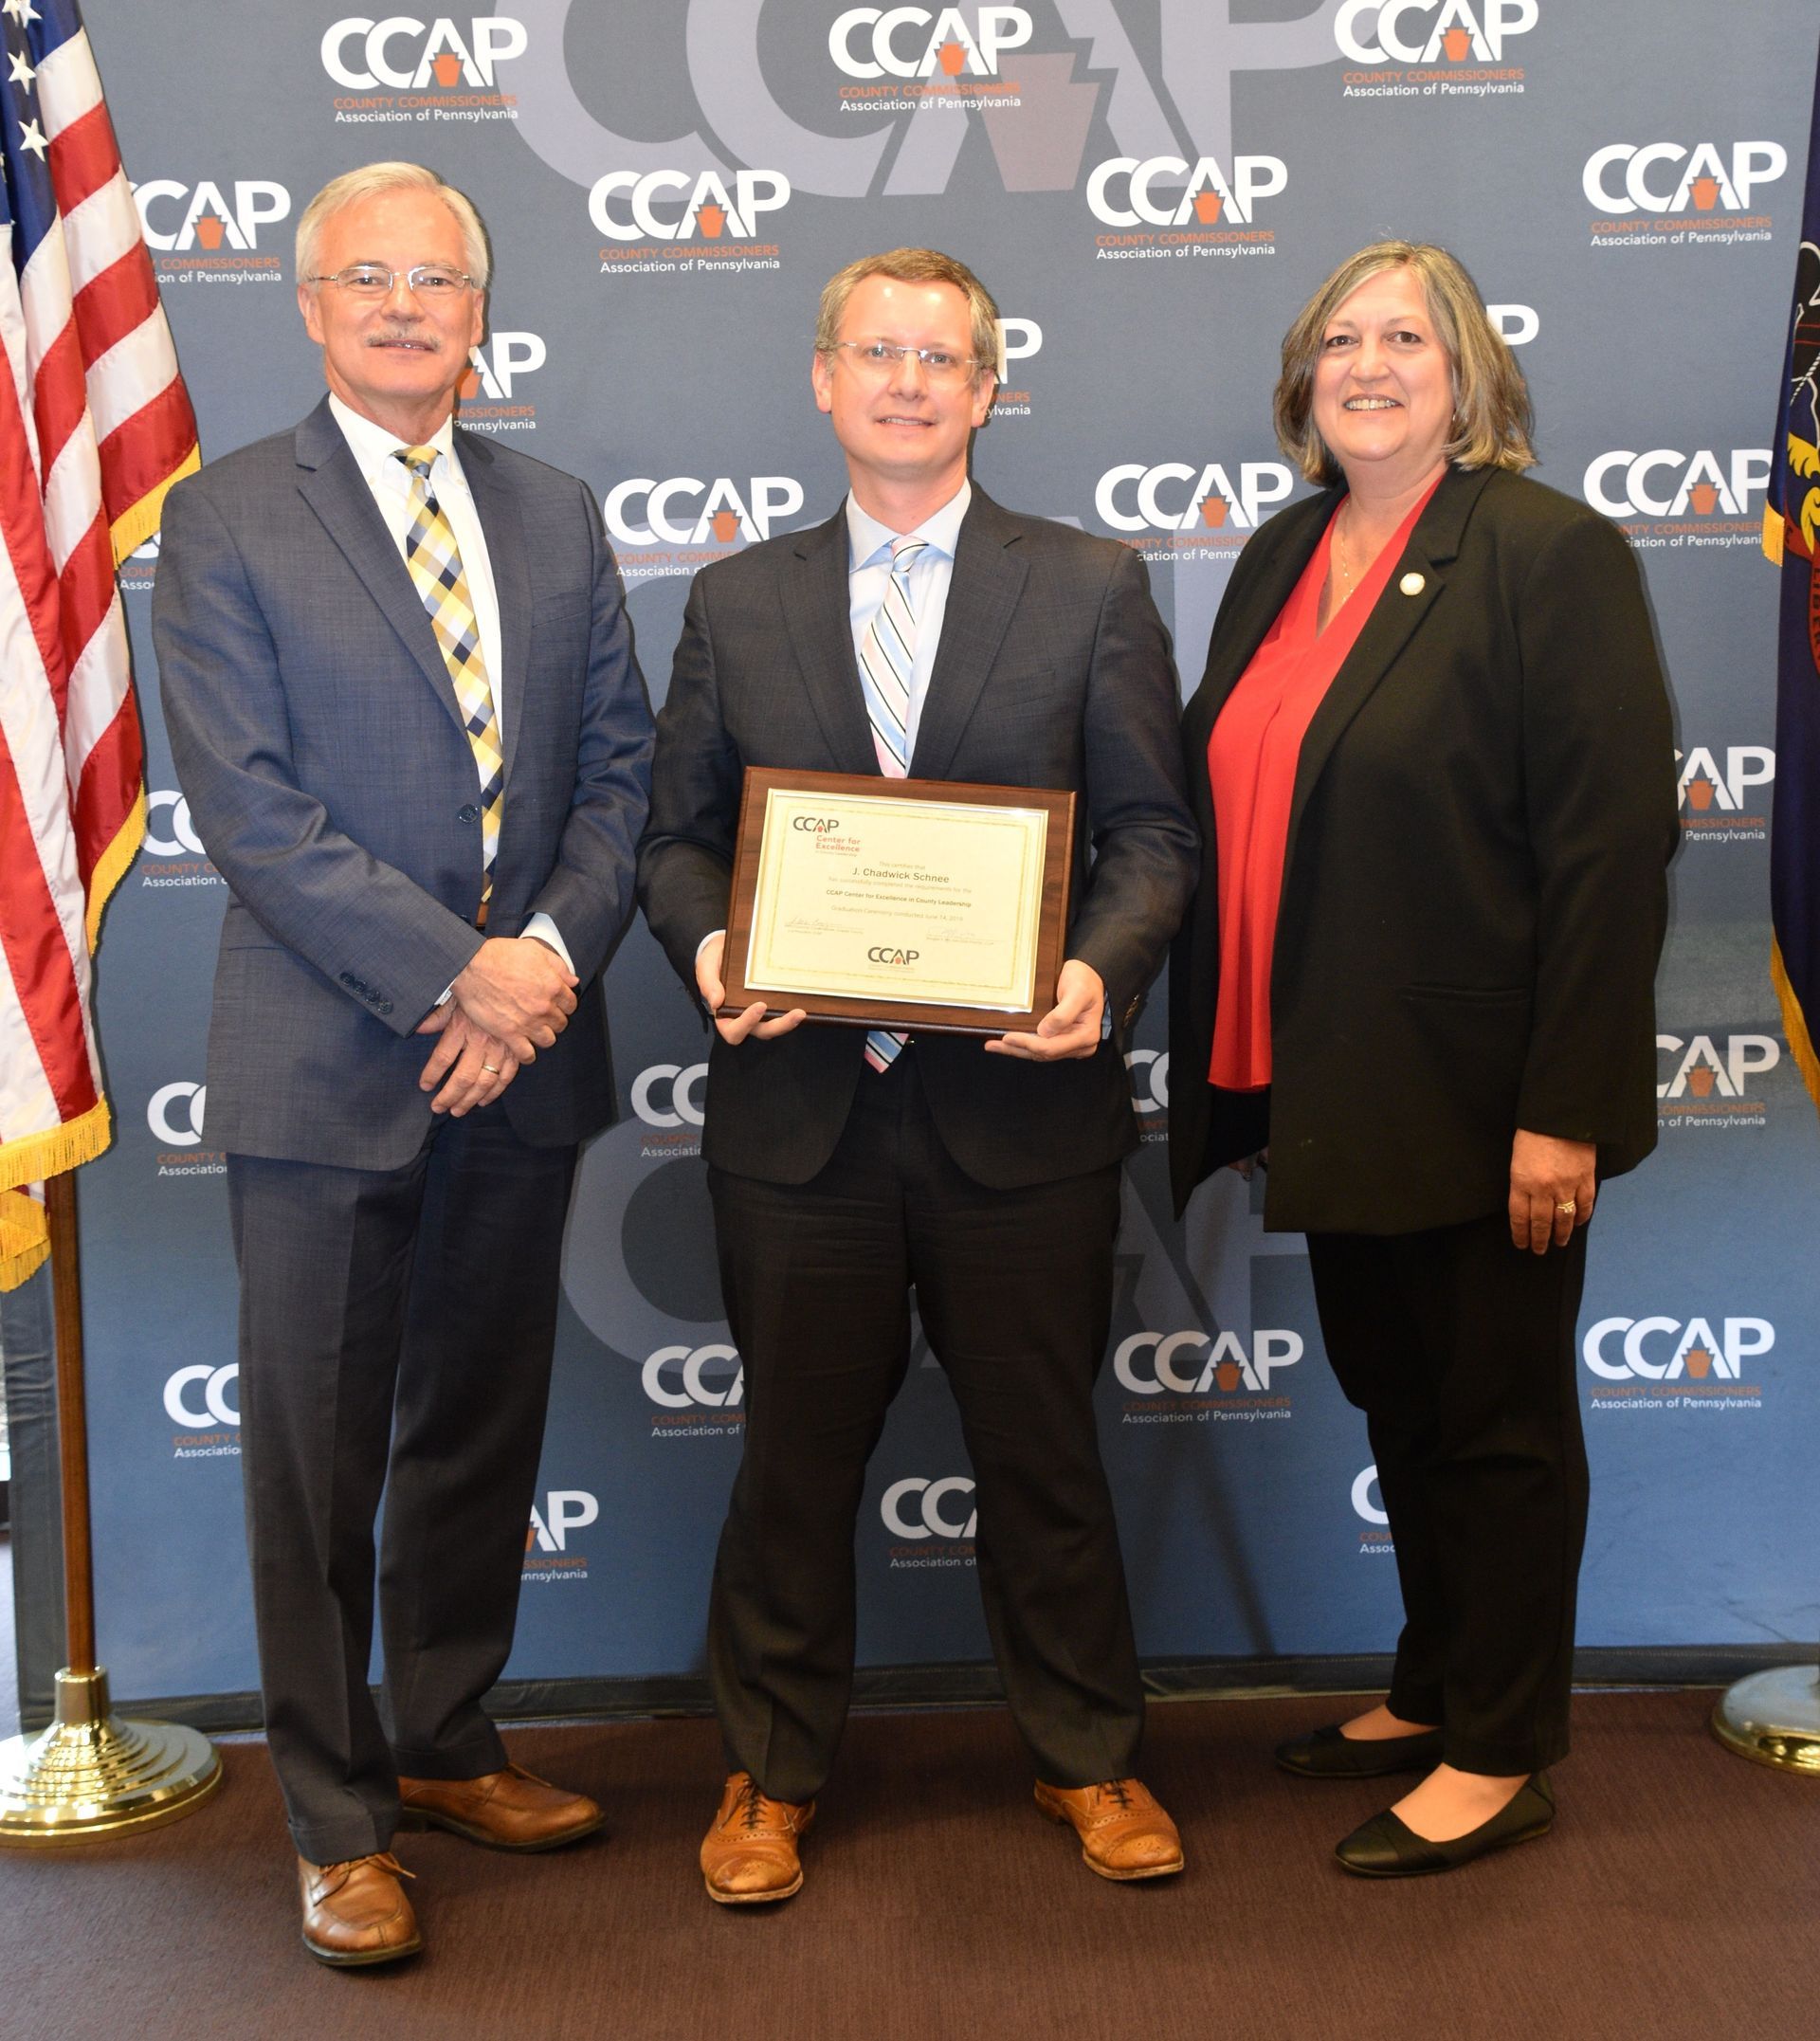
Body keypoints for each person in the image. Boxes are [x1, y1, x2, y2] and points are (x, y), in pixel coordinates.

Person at [638, 247, 1198, 1904]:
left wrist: (1098, 972)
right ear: (823, 378)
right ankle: (770, 1773)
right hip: (800, 1118)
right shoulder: (735, 598)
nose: (905, 380)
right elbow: (674, 839)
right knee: (793, 1460)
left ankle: (1091, 1760)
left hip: (1023, 1114)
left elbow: (1156, 833)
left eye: (939, 357)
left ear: (988, 385)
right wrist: (712, 952)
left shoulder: (1090, 583)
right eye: (874, 352)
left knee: (1043, 1451)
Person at [153, 161, 651, 1964]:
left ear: (479, 309)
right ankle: (335, 1811)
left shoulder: (556, 512)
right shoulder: (221, 522)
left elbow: (618, 776)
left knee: (475, 1425)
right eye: (365, 275)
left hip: (515, 1065)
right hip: (326, 1064)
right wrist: (462, 978)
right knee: (311, 1454)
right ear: (305, 303)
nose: (402, 302)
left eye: (436, 276)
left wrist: (536, 963)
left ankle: (445, 1739)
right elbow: (253, 815)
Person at [1168, 241, 1676, 1877]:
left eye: (1406, 336)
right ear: (1301, 378)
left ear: (1468, 372)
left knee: (1500, 1421)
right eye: (1340, 339)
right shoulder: (1282, 551)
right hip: (1325, 1089)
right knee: (1402, 1397)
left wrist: (1565, 1111)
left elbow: (1610, 855)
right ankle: (1439, 1679)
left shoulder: (1546, 551)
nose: (1367, 363)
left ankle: (1506, 1745)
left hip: (1484, 1102)